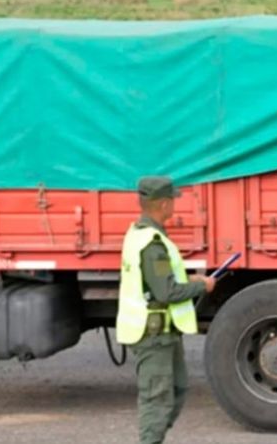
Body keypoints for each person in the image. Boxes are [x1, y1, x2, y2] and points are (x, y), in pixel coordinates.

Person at [116, 176, 216, 444]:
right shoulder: (152, 244)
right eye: (172, 199)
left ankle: (154, 437)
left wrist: (189, 280)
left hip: (162, 332)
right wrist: (201, 287)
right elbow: (166, 292)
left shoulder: (138, 233)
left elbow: (161, 282)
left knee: (177, 389)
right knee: (157, 399)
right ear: (163, 204)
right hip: (153, 335)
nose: (175, 204)